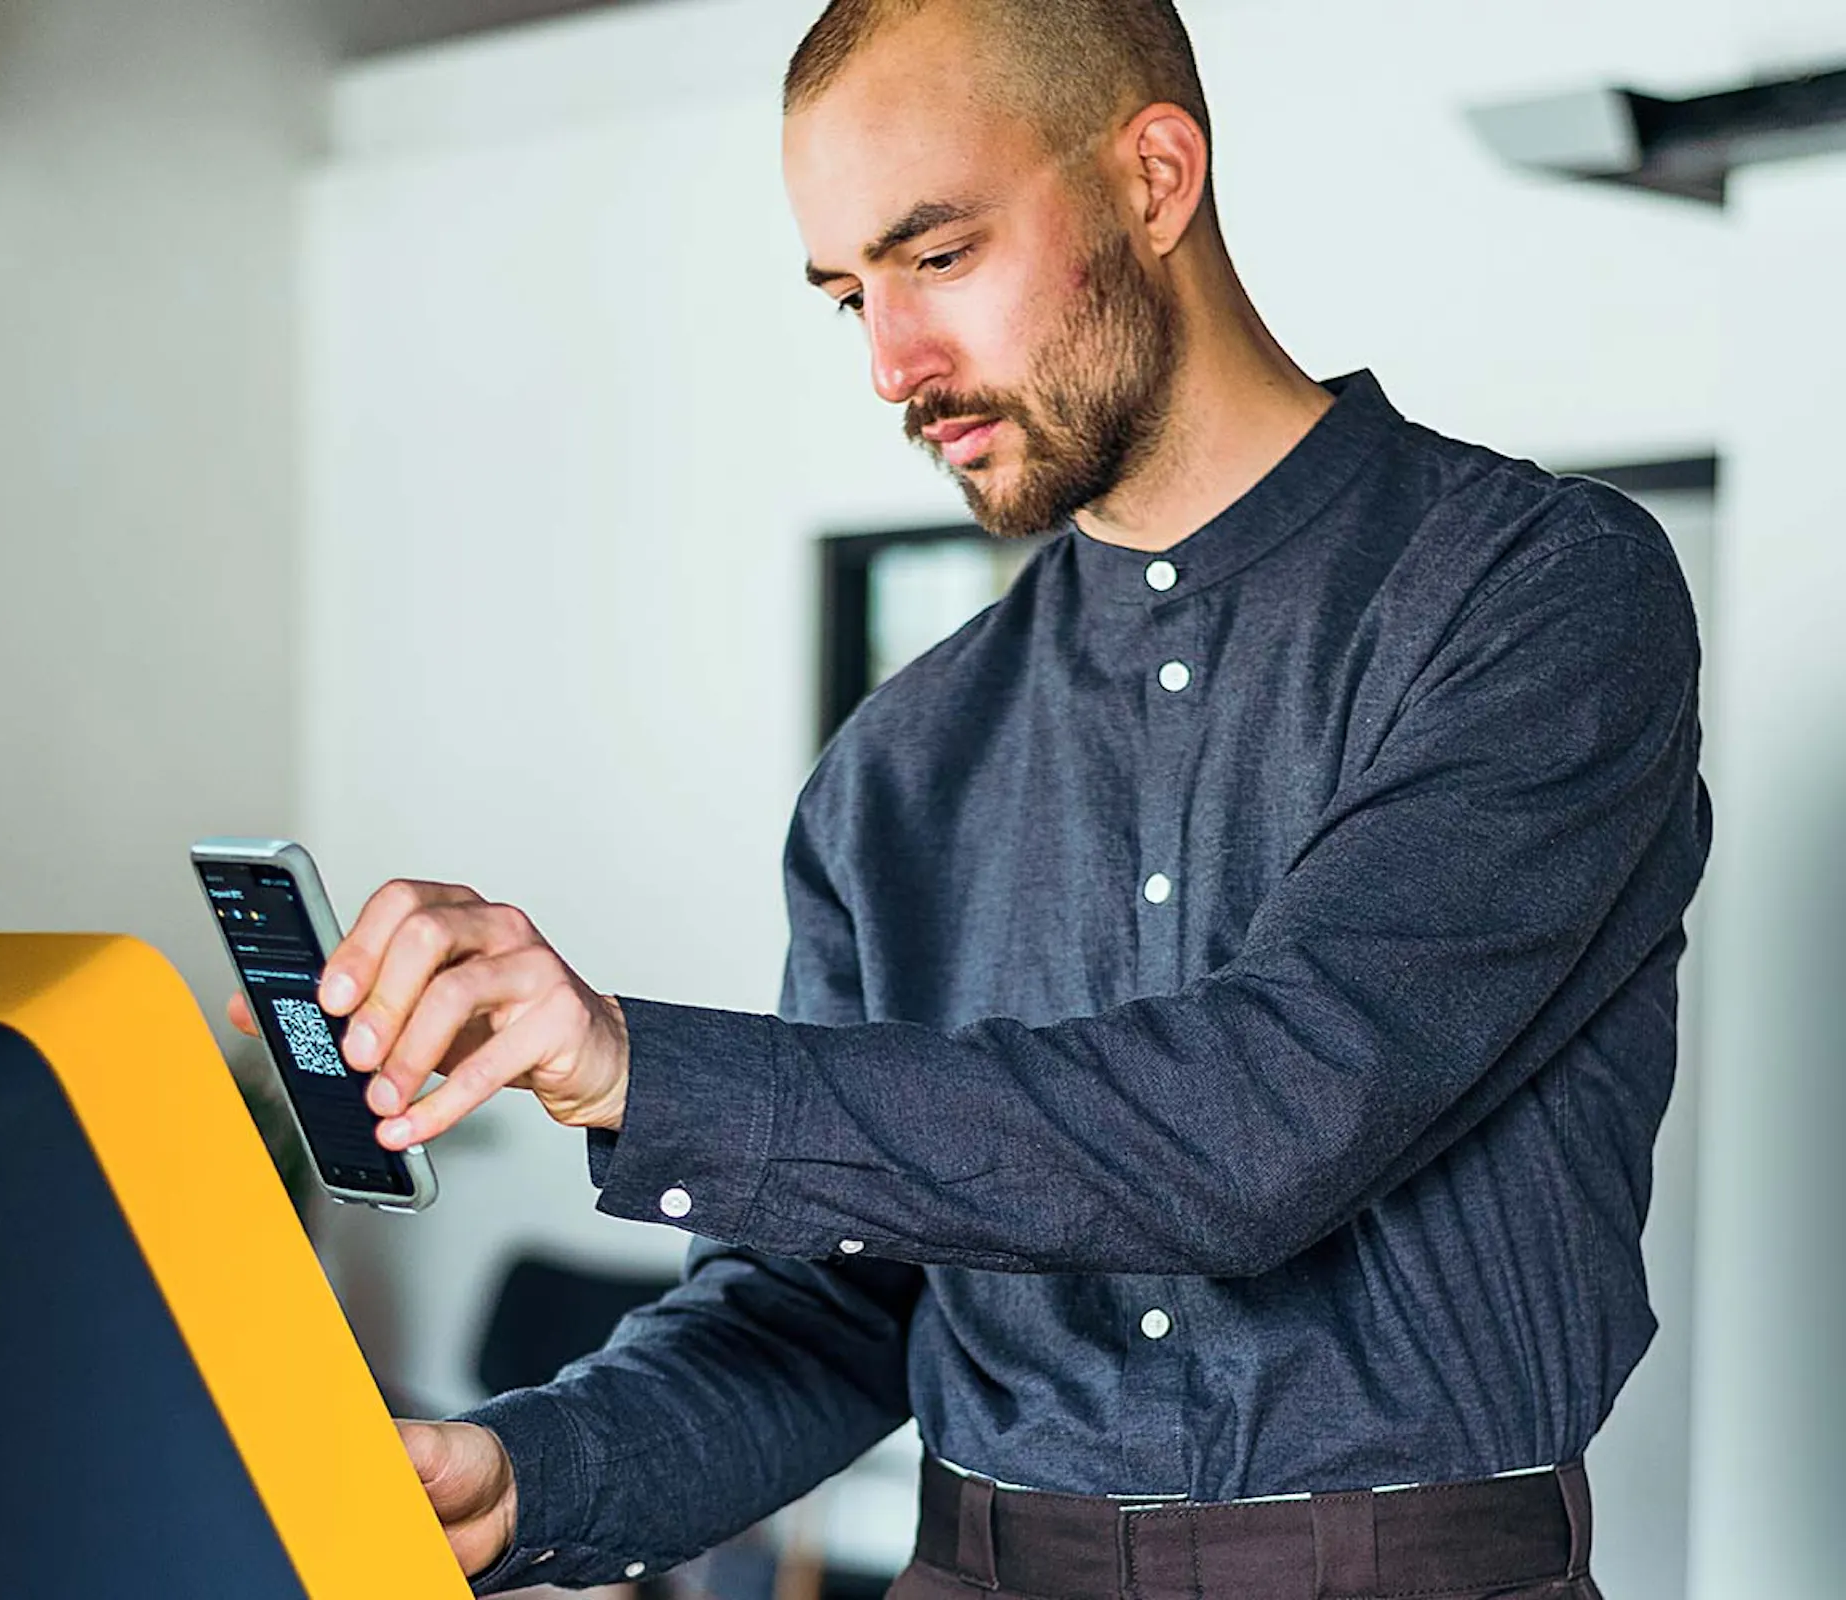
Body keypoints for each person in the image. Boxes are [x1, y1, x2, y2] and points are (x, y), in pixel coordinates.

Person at [232, 2, 1711, 1595]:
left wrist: (634, 1067)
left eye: (935, 256)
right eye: (847, 295)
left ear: (1154, 178)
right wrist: (535, 1470)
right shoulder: (900, 760)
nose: (889, 363)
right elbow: (825, 1309)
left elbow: (1265, 1115)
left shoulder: (1540, 595)